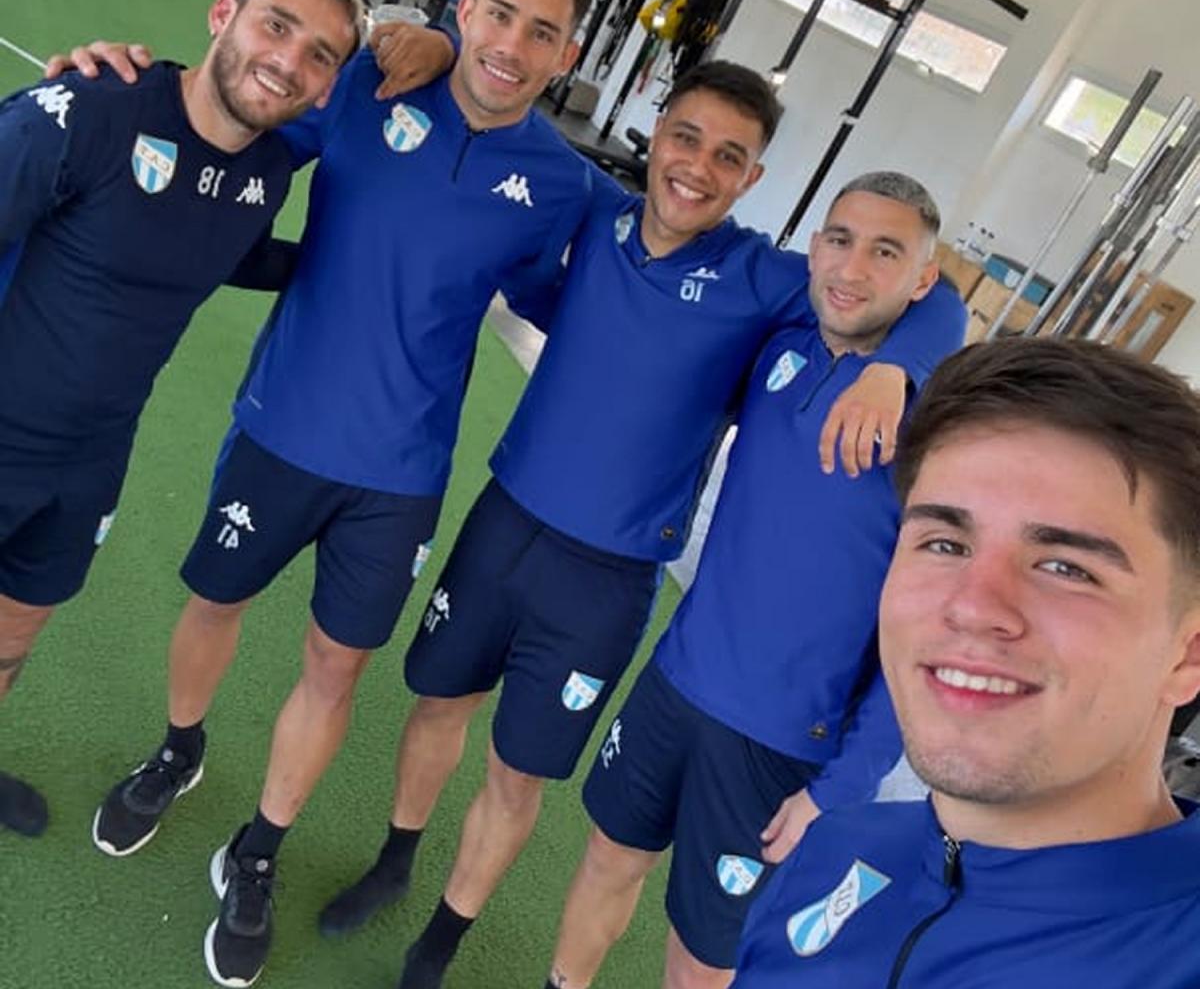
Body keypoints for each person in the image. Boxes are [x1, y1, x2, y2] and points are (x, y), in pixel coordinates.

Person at [314, 53, 963, 986]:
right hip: (505, 524)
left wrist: (898, 366)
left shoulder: (768, 280)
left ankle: (442, 940)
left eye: (728, 156)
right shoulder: (593, 212)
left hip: (608, 583)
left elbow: (931, 299)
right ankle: (395, 859)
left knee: (519, 771)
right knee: (438, 707)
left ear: (753, 178)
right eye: (685, 138)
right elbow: (502, 132)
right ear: (655, 137)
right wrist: (437, 47)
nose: (698, 166)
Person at [61, 0, 595, 989]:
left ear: (567, 56)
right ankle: (177, 748)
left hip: (400, 474)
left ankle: (258, 847)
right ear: (465, 9)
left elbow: (579, 292)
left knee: (334, 664)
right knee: (213, 602)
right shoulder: (363, 87)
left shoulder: (562, 183)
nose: (510, 45)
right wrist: (117, 86)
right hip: (280, 427)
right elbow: (232, 115)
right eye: (497, 13)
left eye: (543, 32)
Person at [541, 172, 956, 989]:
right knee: (608, 857)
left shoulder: (934, 440)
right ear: (815, 248)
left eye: (886, 253)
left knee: (705, 952)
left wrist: (839, 789)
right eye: (840, 240)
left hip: (779, 745)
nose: (852, 268)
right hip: (677, 682)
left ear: (923, 281)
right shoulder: (779, 349)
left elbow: (926, 638)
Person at [0, 0, 363, 841]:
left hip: (89, 462)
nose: (288, 59)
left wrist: (360, 270)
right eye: (277, 24)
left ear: (327, 87)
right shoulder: (93, 109)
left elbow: (220, 244)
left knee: (11, 639)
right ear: (223, 15)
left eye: (319, 53)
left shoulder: (266, 172)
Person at [732, 337, 1200, 988]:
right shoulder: (838, 846)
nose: (973, 607)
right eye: (945, 543)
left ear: (1189, 653)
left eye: (1066, 567)